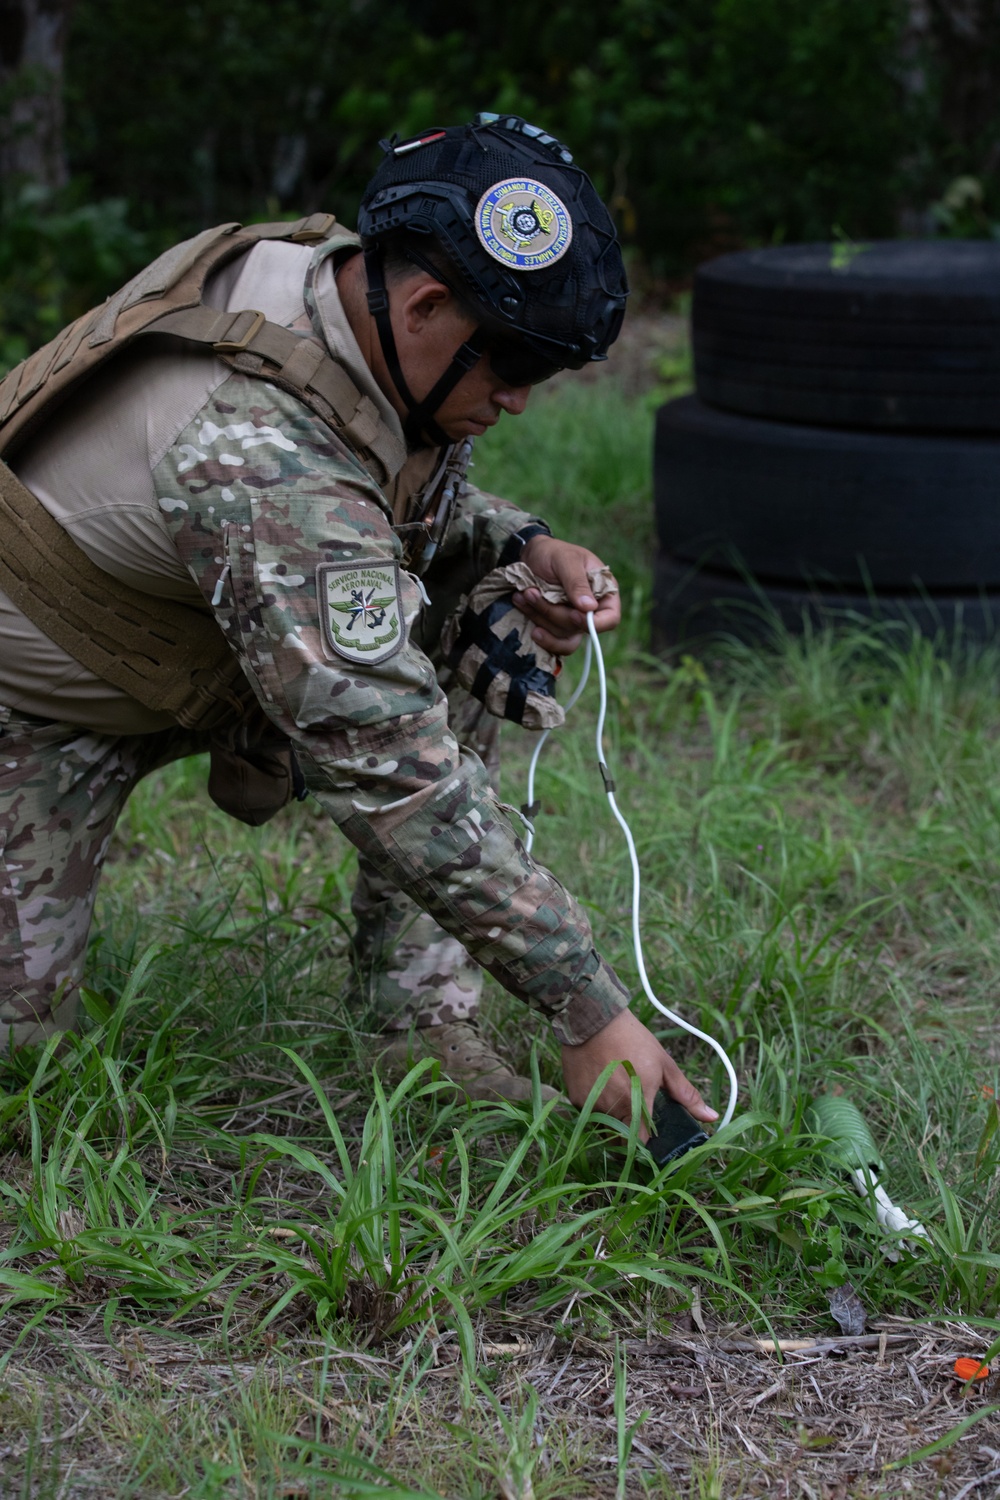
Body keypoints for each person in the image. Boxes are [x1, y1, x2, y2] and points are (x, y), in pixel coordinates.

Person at [0, 113, 717, 1136]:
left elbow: (378, 503)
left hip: (200, 629)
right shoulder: (256, 449)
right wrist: (587, 1006)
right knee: (20, 1088)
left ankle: (415, 1023)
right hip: (36, 697)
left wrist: (520, 548)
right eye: (511, 363)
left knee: (489, 610)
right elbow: (389, 766)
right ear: (428, 303)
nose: (518, 399)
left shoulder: (345, 292)